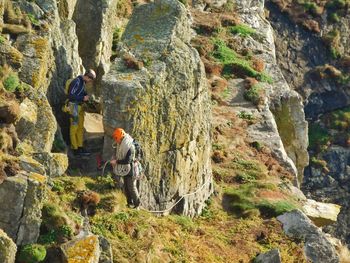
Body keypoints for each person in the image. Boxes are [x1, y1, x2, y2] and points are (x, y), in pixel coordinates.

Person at [67, 69, 96, 156]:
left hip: (79, 107)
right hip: (73, 107)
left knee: (80, 128)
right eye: (90, 80)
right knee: (74, 128)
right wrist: (83, 98)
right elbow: (71, 96)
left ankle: (80, 147)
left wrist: (86, 98)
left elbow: (81, 94)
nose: (90, 81)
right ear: (87, 76)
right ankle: (75, 149)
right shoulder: (76, 81)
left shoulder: (83, 83)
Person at [110, 128, 141, 208]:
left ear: (120, 137)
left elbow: (128, 160)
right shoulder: (121, 144)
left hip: (131, 169)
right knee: (126, 187)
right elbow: (119, 154)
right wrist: (115, 159)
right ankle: (129, 203)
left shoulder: (129, 146)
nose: (116, 141)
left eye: (117, 139)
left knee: (132, 187)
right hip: (126, 169)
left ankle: (137, 205)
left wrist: (116, 162)